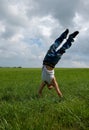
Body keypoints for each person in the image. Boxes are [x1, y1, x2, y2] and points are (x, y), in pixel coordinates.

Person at [38, 29, 79, 97]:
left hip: (46, 59)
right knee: (63, 49)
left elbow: (39, 92)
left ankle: (64, 35)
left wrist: (40, 94)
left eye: (49, 88)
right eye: (52, 87)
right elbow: (57, 89)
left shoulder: (44, 82)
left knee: (54, 45)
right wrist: (60, 95)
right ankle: (71, 37)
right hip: (53, 62)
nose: (50, 88)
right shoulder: (53, 80)